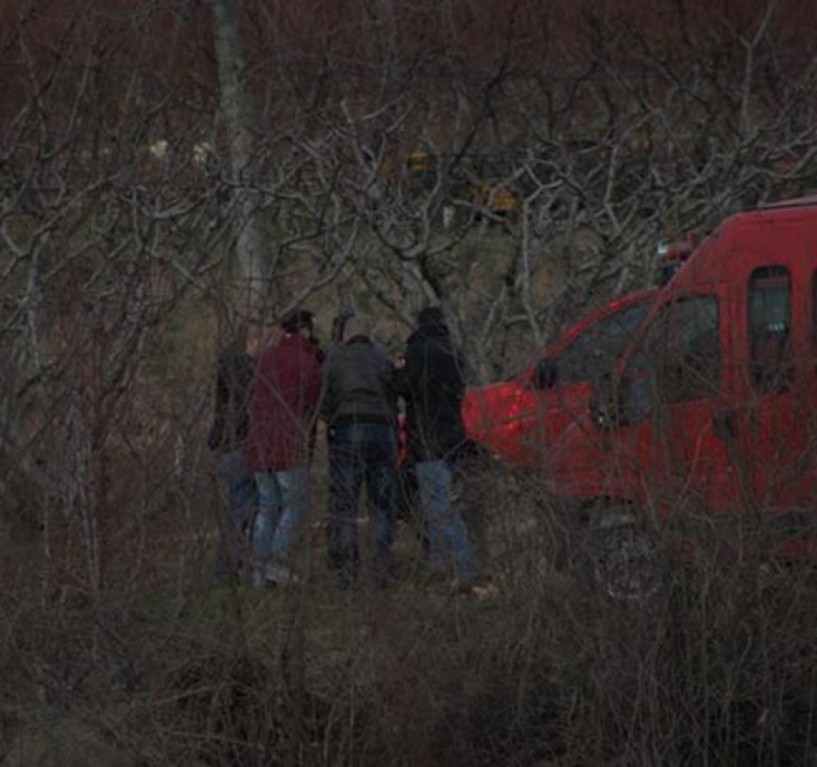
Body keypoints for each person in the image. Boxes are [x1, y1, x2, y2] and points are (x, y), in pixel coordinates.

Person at [394, 306, 478, 591]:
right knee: (439, 505)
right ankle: (439, 570)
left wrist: (397, 369)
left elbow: (401, 386)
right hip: (453, 436)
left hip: (427, 440)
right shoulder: (454, 352)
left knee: (438, 508)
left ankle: (461, 570)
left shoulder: (417, 351)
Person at [320, 315, 399, 588]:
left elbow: (323, 396)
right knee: (382, 504)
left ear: (345, 335)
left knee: (345, 504)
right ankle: (382, 568)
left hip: (346, 430)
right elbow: (394, 392)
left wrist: (330, 419)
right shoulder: (382, 357)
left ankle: (347, 571)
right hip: (381, 430)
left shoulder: (334, 358)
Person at [246, 309, 323, 587]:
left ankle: (259, 566)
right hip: (289, 445)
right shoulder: (307, 361)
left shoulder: (266, 357)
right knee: (295, 505)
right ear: (305, 330)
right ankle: (277, 563)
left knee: (267, 507)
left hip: (259, 444)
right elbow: (315, 404)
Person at [208, 319, 263, 582]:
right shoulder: (243, 371)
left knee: (237, 508)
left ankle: (230, 565)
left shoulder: (228, 365)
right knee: (241, 508)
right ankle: (229, 567)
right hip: (239, 444)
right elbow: (248, 403)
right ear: (250, 342)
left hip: (229, 444)